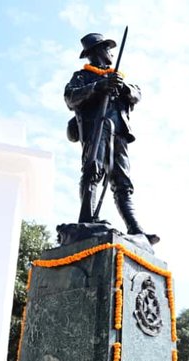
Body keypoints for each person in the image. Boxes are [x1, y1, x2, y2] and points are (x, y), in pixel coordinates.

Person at [64, 32, 158, 244]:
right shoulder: (82, 76)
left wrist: (122, 87)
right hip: (95, 128)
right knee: (93, 170)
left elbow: (137, 93)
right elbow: (70, 97)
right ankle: (87, 218)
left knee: (121, 179)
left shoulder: (118, 77)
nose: (111, 53)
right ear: (97, 51)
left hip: (118, 132)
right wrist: (98, 86)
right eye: (107, 48)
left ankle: (135, 228)